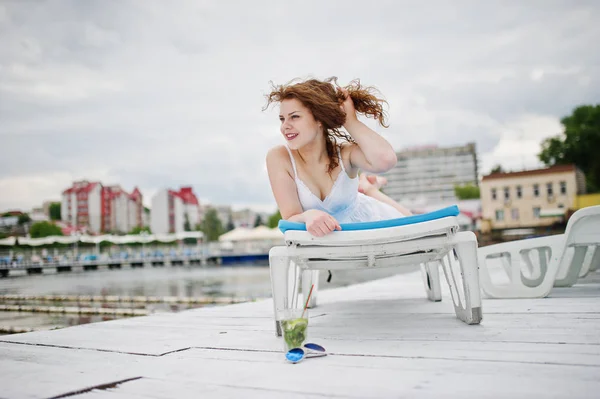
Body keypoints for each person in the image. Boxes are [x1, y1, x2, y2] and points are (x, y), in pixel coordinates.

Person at [265, 77, 412, 237]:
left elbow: (386, 160)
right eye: (282, 118)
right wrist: (308, 216)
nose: (284, 126)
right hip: (330, 248)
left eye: (294, 117)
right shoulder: (279, 157)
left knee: (415, 223)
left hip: (369, 228)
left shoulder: (344, 153)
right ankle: (366, 188)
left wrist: (350, 121)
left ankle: (368, 190)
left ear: (319, 119)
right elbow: (290, 218)